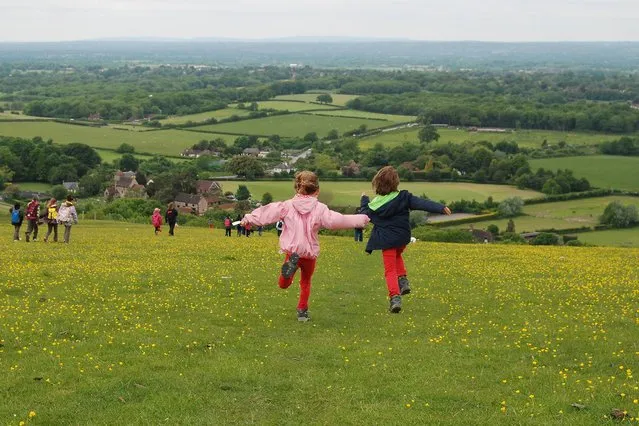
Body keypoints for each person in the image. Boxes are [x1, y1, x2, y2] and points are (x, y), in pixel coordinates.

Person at [241, 171, 369, 322]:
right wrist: (362, 219)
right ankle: (302, 312)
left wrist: (248, 218)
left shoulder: (286, 206)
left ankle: (285, 277)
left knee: (283, 285)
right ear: (317, 190)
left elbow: (267, 213)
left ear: (297, 188)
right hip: (309, 253)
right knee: (306, 281)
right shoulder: (320, 209)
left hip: (293, 252)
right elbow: (337, 220)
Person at [360, 166, 451, 314]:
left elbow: (364, 215)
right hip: (402, 238)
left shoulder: (375, 205)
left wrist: (364, 199)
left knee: (390, 270)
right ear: (396, 183)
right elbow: (422, 203)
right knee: (398, 255)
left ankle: (395, 297)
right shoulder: (404, 197)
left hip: (387, 240)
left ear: (377, 184)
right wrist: (440, 207)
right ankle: (403, 280)